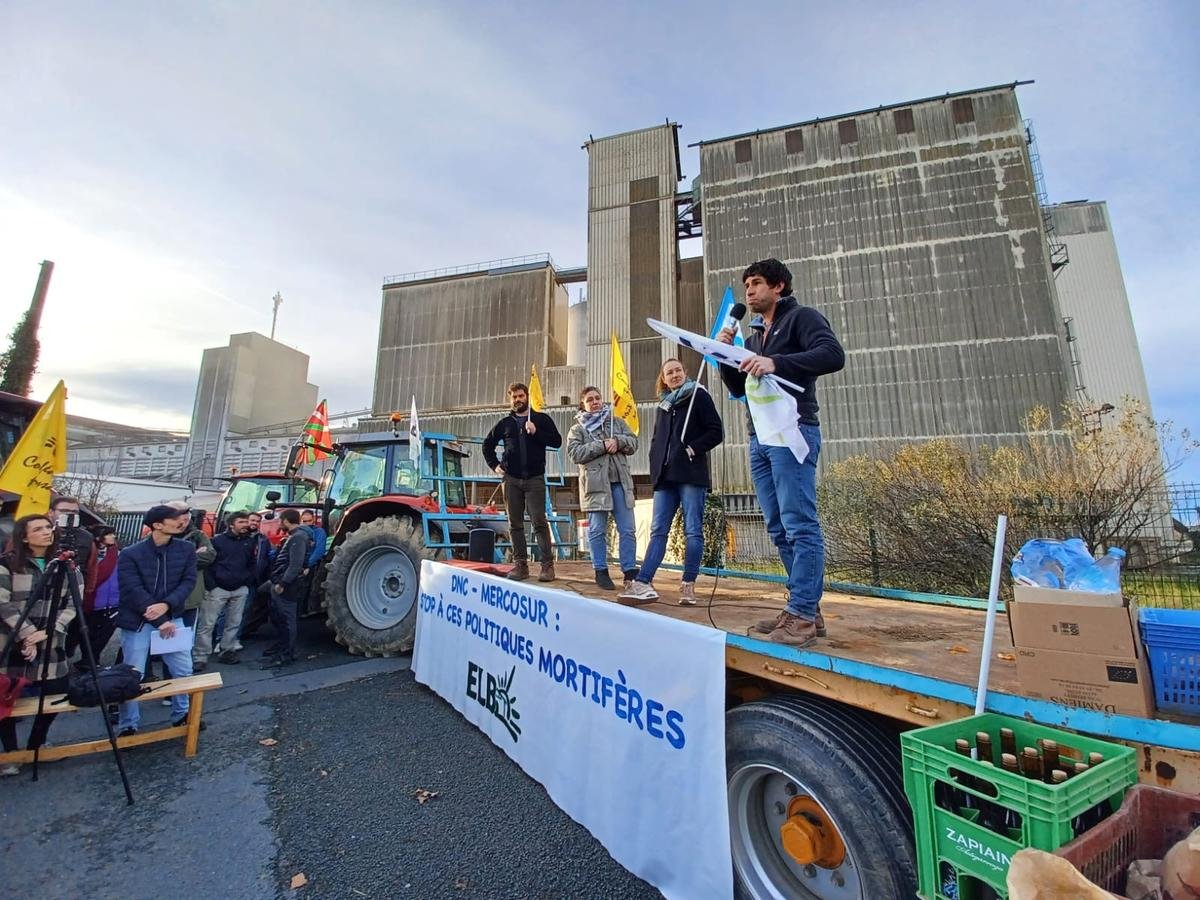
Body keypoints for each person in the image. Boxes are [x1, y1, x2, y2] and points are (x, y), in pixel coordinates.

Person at [718, 258, 845, 647]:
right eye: (746, 286)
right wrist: (727, 356)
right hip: (760, 437)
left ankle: (803, 614)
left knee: (799, 522)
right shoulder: (754, 338)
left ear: (779, 287)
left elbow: (832, 355)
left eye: (756, 283)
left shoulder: (802, 318)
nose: (749, 292)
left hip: (792, 433)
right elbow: (739, 389)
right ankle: (805, 607)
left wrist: (777, 361)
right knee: (776, 525)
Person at [618, 359, 724, 607]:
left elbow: (716, 431)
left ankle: (688, 585)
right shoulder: (664, 405)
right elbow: (657, 439)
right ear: (663, 379)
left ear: (685, 373)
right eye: (669, 372)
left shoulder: (698, 396)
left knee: (693, 531)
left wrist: (692, 449)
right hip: (665, 478)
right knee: (658, 531)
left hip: (690, 474)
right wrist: (655, 465)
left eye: (678, 370)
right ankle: (643, 582)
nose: (674, 375)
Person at [0, 515, 81, 774]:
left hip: (50, 643)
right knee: (6, 698)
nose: (47, 532)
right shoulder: (7, 565)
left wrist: (47, 632)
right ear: (24, 536)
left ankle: (37, 744)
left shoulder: (66, 566)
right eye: (38, 529)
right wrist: (27, 633)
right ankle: (11, 753)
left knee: (57, 692)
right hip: (11, 643)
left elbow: (72, 605)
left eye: (48, 527)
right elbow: (3, 604)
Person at [114, 505, 197, 736]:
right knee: (133, 675)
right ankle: (128, 724)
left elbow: (188, 582)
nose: (181, 521)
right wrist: (159, 617)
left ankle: (182, 714)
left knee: (183, 670)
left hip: (173, 617)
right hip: (138, 621)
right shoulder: (131, 553)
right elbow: (131, 589)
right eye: (174, 518)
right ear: (157, 525)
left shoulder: (187, 549)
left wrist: (167, 605)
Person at [482, 381, 563, 583]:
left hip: (534, 479)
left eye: (521, 396)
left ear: (527, 396)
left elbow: (557, 441)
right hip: (511, 480)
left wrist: (536, 431)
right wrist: (495, 465)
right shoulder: (505, 424)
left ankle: (547, 565)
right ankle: (521, 565)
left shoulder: (541, 419)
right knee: (514, 524)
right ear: (510, 400)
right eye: (514, 397)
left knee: (539, 521)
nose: (518, 400)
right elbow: (487, 445)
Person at [566, 385, 638, 591]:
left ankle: (630, 571)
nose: (595, 402)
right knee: (597, 530)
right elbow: (575, 453)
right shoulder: (578, 429)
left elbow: (633, 443)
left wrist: (618, 440)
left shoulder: (616, 423)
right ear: (583, 404)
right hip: (595, 487)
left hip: (621, 484)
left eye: (598, 398)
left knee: (628, 530)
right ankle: (601, 571)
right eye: (590, 399)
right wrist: (603, 445)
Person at [195, 510, 256, 668]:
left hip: (240, 589)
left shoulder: (249, 542)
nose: (246, 525)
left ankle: (227, 650)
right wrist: (213, 586)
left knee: (234, 622)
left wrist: (246, 582)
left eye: (246, 522)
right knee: (207, 624)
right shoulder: (217, 541)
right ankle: (200, 657)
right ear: (231, 525)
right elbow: (208, 564)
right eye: (241, 522)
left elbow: (251, 563)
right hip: (218, 589)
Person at [260, 509, 312, 669]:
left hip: (287, 585)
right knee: (280, 616)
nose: (279, 524)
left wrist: (282, 583)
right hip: (280, 581)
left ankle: (286, 654)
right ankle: (282, 647)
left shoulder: (298, 537)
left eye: (280, 521)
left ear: (286, 521)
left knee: (287, 620)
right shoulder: (296, 536)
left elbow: (294, 565)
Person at [78, 526, 121, 666]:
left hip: (113, 602)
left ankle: (90, 662)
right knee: (88, 635)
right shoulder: (89, 555)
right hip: (92, 601)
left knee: (104, 636)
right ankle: (89, 662)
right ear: (98, 537)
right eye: (108, 534)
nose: (113, 536)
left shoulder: (117, 554)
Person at [299, 509, 327, 605]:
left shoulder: (319, 532)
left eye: (309, 521)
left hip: (311, 566)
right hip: (298, 565)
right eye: (304, 521)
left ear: (313, 520)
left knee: (306, 590)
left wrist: (307, 565)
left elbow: (319, 551)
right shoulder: (297, 532)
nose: (307, 524)